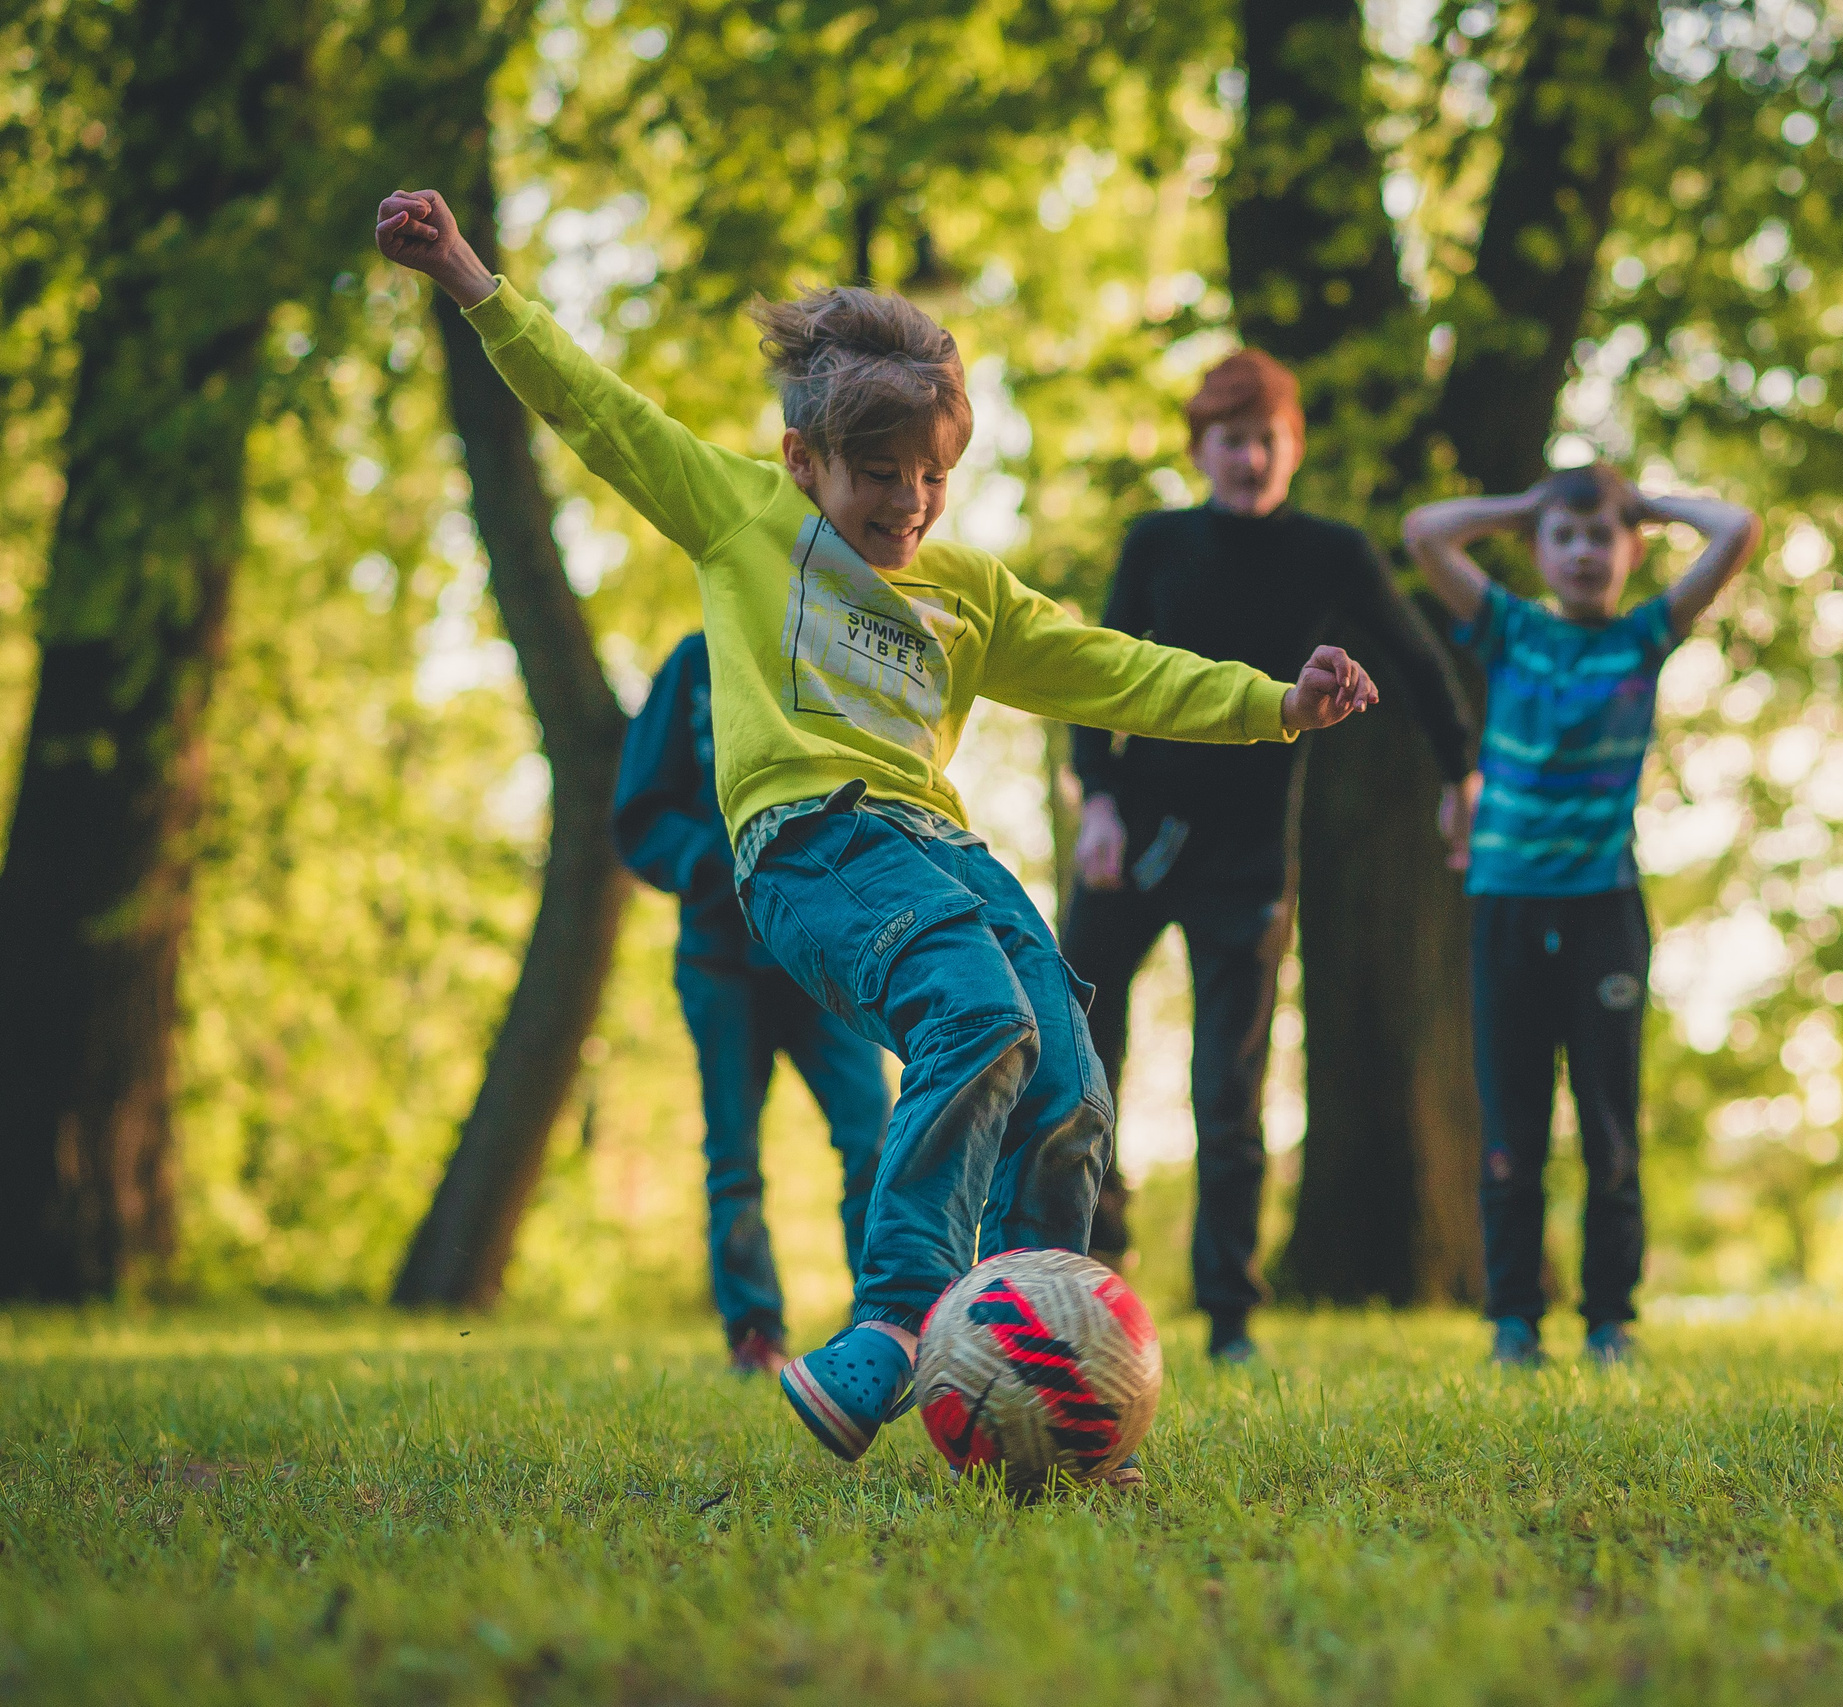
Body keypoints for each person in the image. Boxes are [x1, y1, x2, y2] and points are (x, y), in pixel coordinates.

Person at [377, 187, 1381, 1475]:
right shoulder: (745, 519)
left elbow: (1116, 669)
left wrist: (1276, 705)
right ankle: (903, 1320)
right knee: (979, 1016)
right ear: (806, 462)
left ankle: (1047, 1365)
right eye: (879, 474)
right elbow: (598, 413)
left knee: (1069, 1080)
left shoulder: (970, 592)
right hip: (810, 849)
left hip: (938, 852)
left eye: (932, 477)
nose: (908, 503)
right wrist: (470, 277)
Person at [1064, 350, 1478, 1365]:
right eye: (1231, 440)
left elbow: (1418, 659)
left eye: (1267, 440)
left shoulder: (1331, 553)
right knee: (1078, 1051)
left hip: (1248, 856)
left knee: (1228, 1091)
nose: (1249, 458)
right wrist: (1099, 799)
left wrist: (1461, 775)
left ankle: (1229, 1315)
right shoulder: (1158, 541)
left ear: (1292, 447)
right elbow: (1097, 672)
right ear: (1201, 448)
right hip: (1136, 835)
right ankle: (1082, 1268)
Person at [1403, 464, 1763, 1367]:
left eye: (1602, 535)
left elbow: (1737, 528)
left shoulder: (1645, 636)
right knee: (1513, 1128)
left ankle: (1610, 1320)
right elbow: (1424, 531)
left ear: (1631, 548)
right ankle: (1515, 1321)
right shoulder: (1510, 629)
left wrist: (1647, 505)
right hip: (1506, 904)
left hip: (1605, 907)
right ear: (1538, 551)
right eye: (1563, 537)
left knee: (1608, 1124)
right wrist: (1526, 505)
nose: (1583, 552)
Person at [615, 631, 895, 1376]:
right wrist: (712, 860)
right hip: (720, 960)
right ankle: (755, 1334)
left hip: (826, 953)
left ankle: (888, 1318)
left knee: (874, 1135)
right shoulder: (693, 665)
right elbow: (638, 814)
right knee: (733, 1155)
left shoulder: (830, 643)